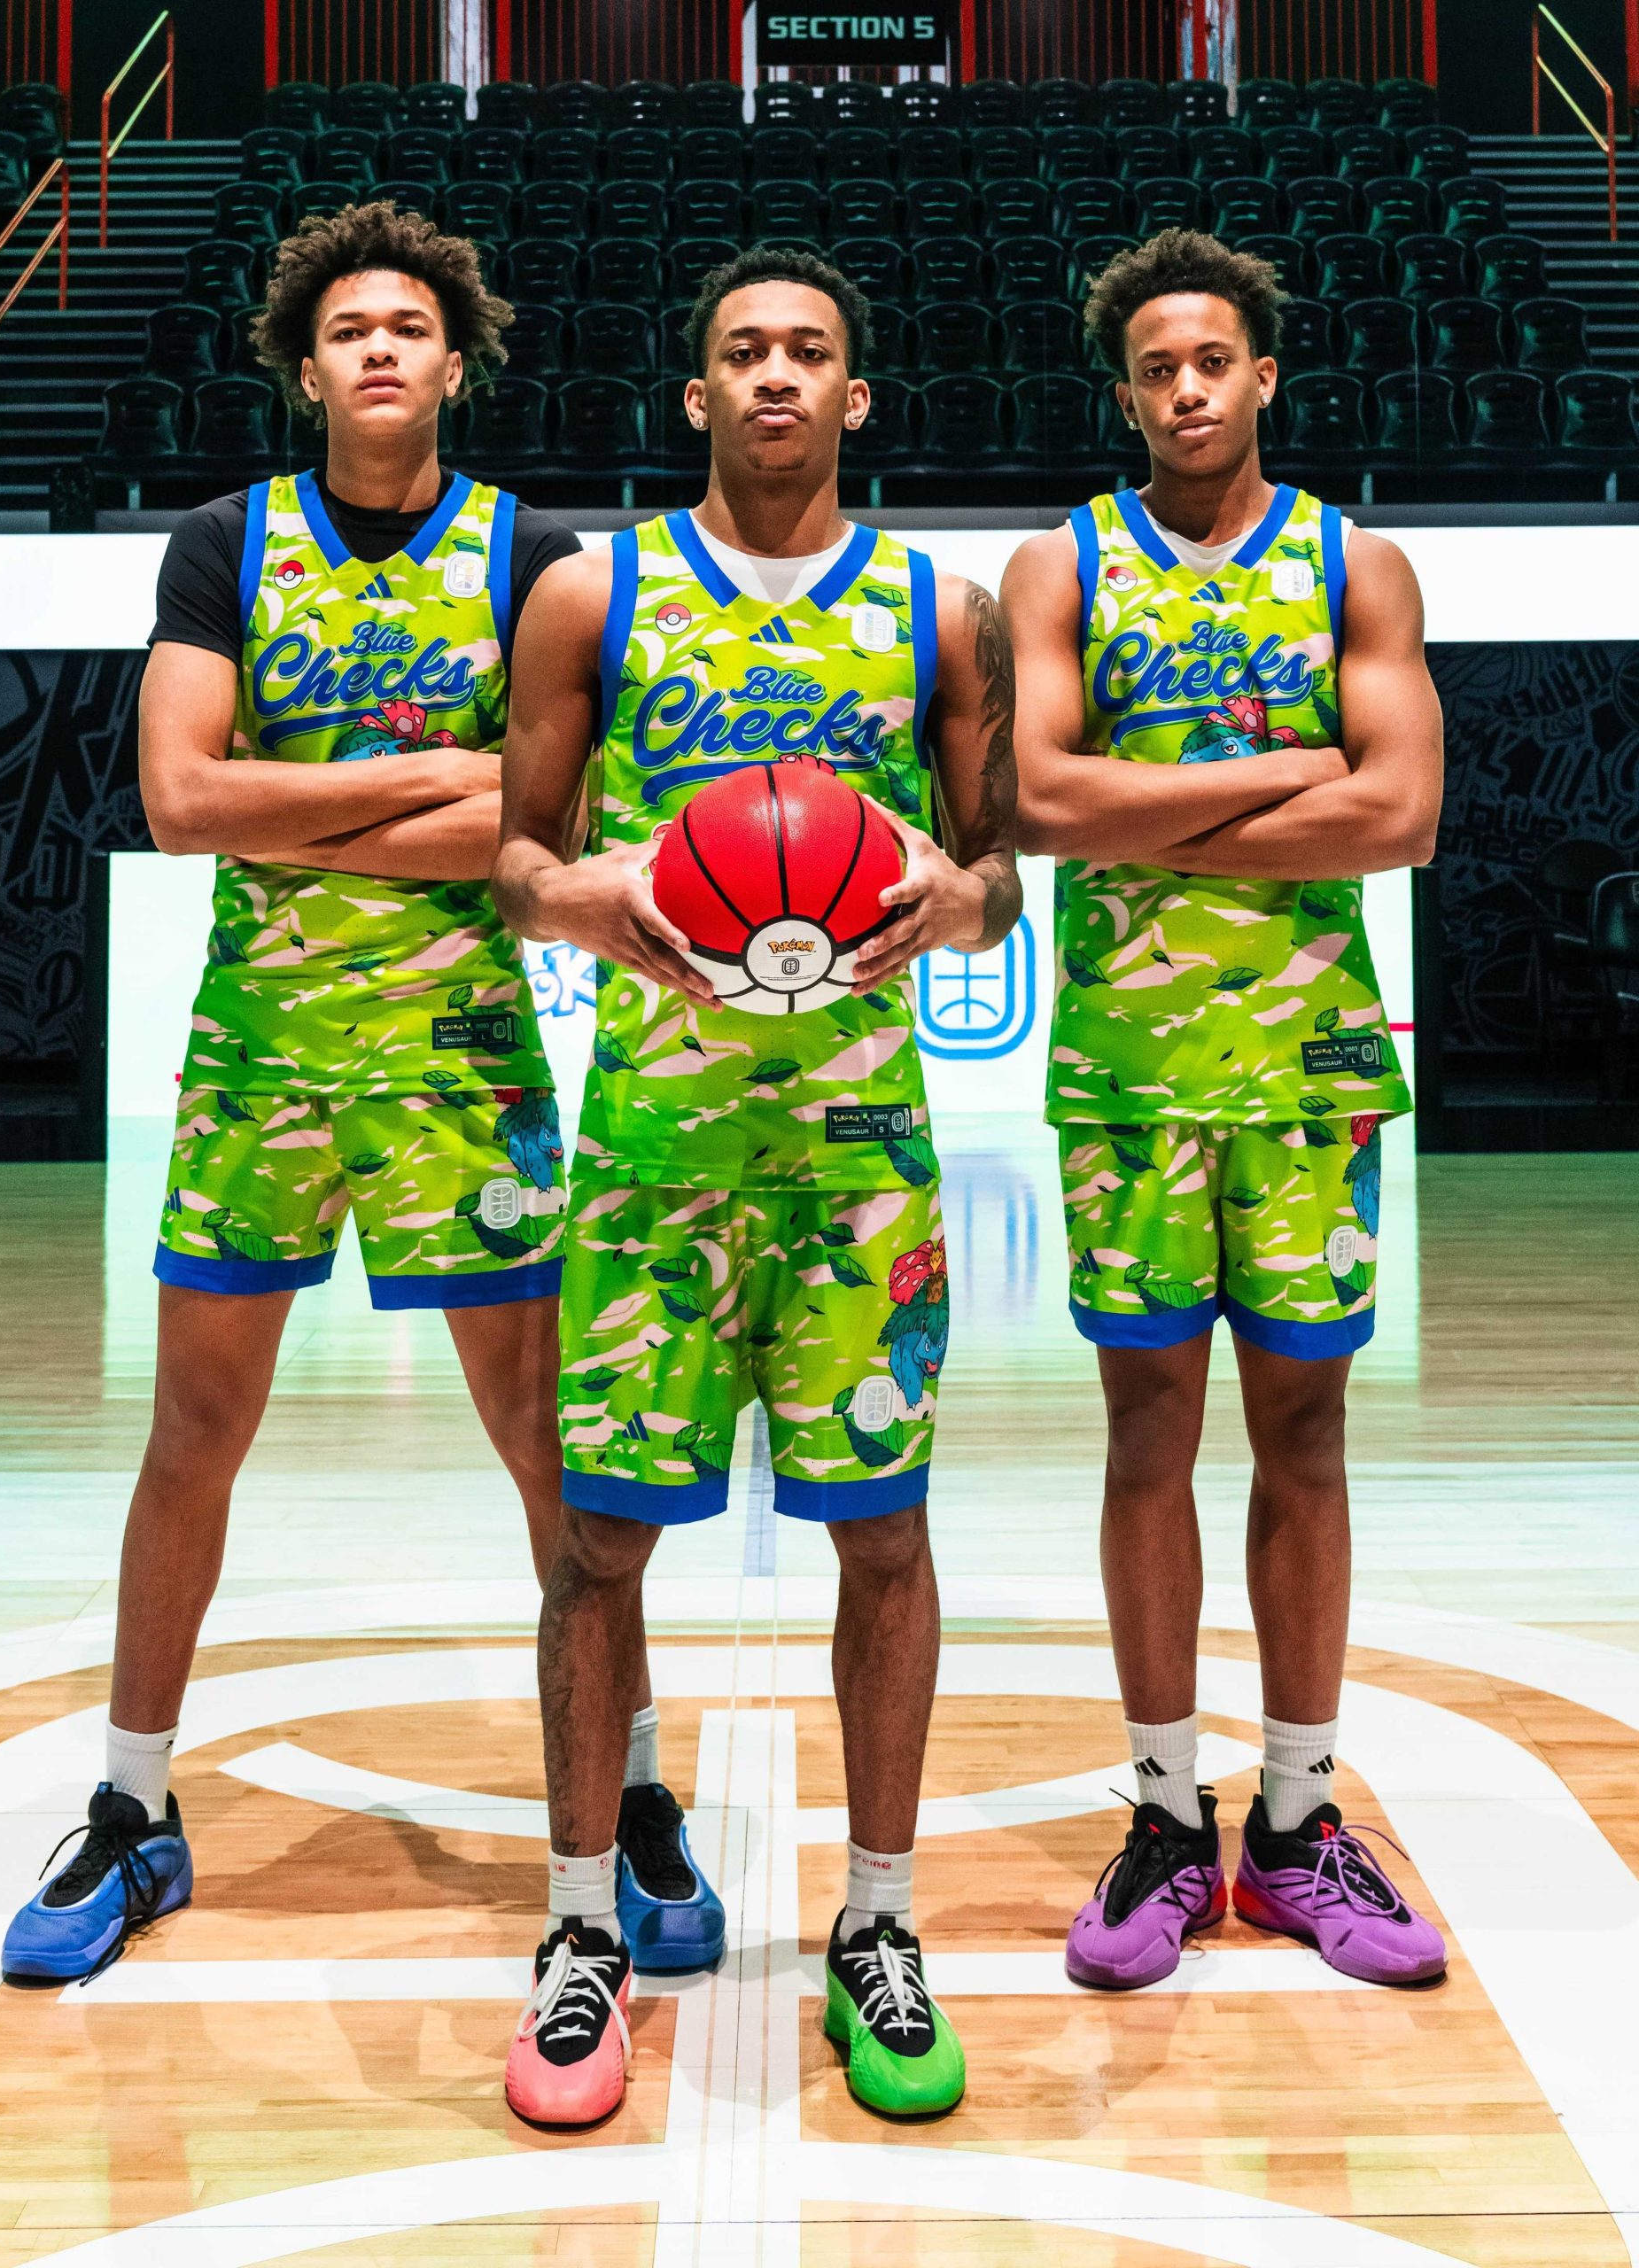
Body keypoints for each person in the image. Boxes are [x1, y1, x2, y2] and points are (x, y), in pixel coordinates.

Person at [1, 203, 715, 1986]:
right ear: (305, 368)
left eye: (407, 327)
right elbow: (180, 802)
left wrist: (308, 801)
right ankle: (134, 1804)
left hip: (465, 1059)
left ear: (454, 362)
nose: (379, 348)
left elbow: (549, 824)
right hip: (261, 1051)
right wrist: (437, 780)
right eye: (347, 331)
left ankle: (627, 1791)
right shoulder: (223, 542)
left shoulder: (534, 557)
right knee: (191, 1436)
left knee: (557, 1455)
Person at [491, 245, 1022, 2125]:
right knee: (597, 1546)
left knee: (884, 1538)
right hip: (655, 1149)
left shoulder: (942, 612)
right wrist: (587, 896)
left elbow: (996, 873)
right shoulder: (594, 593)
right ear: (696, 394)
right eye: (743, 351)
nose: (777, 374)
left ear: (854, 396)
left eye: (809, 351)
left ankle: (879, 1919)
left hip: (860, 1160)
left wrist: (962, 896)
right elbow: (518, 859)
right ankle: (580, 1931)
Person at [1002, 229, 1447, 1991]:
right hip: (1127, 1073)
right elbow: (1041, 802)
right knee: (1146, 1440)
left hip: (1311, 1073)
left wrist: (1155, 804)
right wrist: (1285, 770)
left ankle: (1299, 1816)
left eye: (1212, 361)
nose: (1186, 389)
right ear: (1127, 396)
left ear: (1264, 375)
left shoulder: (1354, 562)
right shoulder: (1062, 564)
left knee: (1306, 1438)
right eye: (1156, 369)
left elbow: (1401, 814)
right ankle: (1166, 1814)